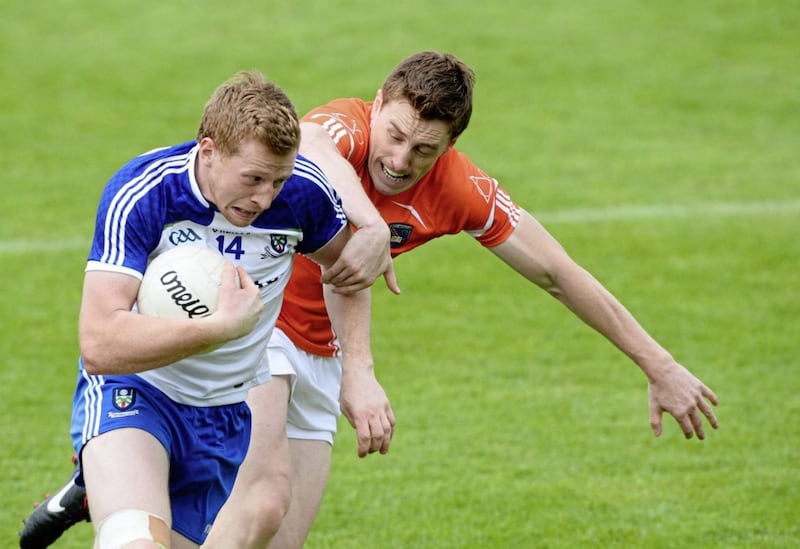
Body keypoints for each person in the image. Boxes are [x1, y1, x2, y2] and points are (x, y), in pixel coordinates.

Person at [22, 51, 719, 548]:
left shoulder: (457, 188)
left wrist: (657, 363)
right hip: (253, 331)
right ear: (378, 105)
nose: (400, 158)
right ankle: (123, 484)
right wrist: (367, 225)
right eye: (395, 133)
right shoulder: (332, 140)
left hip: (320, 346)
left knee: (270, 534)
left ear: (450, 145)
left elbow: (558, 272)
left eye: (425, 148)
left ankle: (112, 490)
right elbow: (318, 141)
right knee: (260, 499)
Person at [19, 70, 387, 549]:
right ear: (209, 151)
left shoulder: (302, 194)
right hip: (137, 393)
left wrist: (358, 370)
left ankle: (97, 488)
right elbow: (100, 344)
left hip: (223, 415)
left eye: (277, 180)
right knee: (133, 541)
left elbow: (349, 273)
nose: (264, 198)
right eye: (253, 178)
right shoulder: (146, 192)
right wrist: (218, 328)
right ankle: (109, 473)